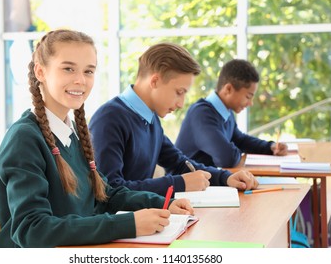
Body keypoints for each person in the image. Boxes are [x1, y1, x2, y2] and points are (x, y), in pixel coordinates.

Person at [0, 30, 194, 248]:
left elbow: (105, 194)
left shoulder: (70, 134)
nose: (80, 80)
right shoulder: (24, 139)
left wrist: (164, 204)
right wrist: (128, 223)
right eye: (68, 69)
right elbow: (32, 230)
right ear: (40, 71)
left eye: (89, 71)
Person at [89, 43, 258, 197]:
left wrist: (226, 178)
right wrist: (180, 183)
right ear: (154, 81)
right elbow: (110, 190)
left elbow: (180, 164)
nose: (181, 103)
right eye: (179, 92)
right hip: (124, 225)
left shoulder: (151, 118)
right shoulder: (109, 120)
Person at [175, 58, 288, 168]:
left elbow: (240, 140)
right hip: (187, 185)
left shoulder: (226, 112)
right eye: (248, 97)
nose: (250, 103)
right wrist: (235, 152)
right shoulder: (201, 114)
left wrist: (270, 147)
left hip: (207, 182)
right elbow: (226, 158)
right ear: (228, 89)